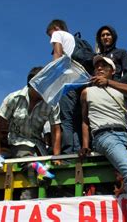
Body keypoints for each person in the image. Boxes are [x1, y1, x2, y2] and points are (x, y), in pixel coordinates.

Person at [79, 55, 127, 221]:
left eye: (104, 66)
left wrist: (108, 83)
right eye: (97, 66)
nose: (99, 68)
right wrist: (85, 144)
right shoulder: (86, 92)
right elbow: (85, 121)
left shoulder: (119, 88)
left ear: (112, 71)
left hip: (126, 134)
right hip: (104, 135)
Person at [0, 66, 62, 200]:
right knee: (31, 163)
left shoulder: (52, 103)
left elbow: (56, 129)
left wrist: (57, 156)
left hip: (39, 146)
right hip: (17, 142)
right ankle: (28, 198)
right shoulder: (13, 98)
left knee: (51, 169)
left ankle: (35, 197)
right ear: (33, 85)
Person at [46, 19, 82, 155]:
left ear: (56, 28)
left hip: (66, 83)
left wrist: (52, 77)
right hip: (79, 82)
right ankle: (77, 150)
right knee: (75, 120)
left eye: (50, 35)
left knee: (65, 120)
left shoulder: (58, 34)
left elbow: (58, 55)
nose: (51, 39)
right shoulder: (74, 39)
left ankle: (67, 153)